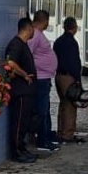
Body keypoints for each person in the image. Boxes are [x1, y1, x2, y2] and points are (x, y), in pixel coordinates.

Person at [5, 17, 38, 163]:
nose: (33, 31)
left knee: (24, 122)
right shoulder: (16, 44)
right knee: (18, 122)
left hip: (27, 92)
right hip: (20, 92)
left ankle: (22, 147)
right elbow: (10, 63)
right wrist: (24, 75)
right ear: (28, 28)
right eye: (32, 28)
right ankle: (16, 151)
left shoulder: (24, 45)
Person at [27, 10, 59, 152]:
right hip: (40, 79)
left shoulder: (38, 34)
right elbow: (29, 54)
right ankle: (42, 141)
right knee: (42, 110)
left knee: (45, 109)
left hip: (44, 77)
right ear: (45, 21)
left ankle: (46, 137)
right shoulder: (35, 35)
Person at [53, 17, 86, 144]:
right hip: (68, 78)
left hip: (58, 76)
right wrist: (78, 80)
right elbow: (74, 63)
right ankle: (68, 135)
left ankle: (61, 131)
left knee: (63, 104)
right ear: (75, 27)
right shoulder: (72, 42)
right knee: (70, 106)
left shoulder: (58, 41)